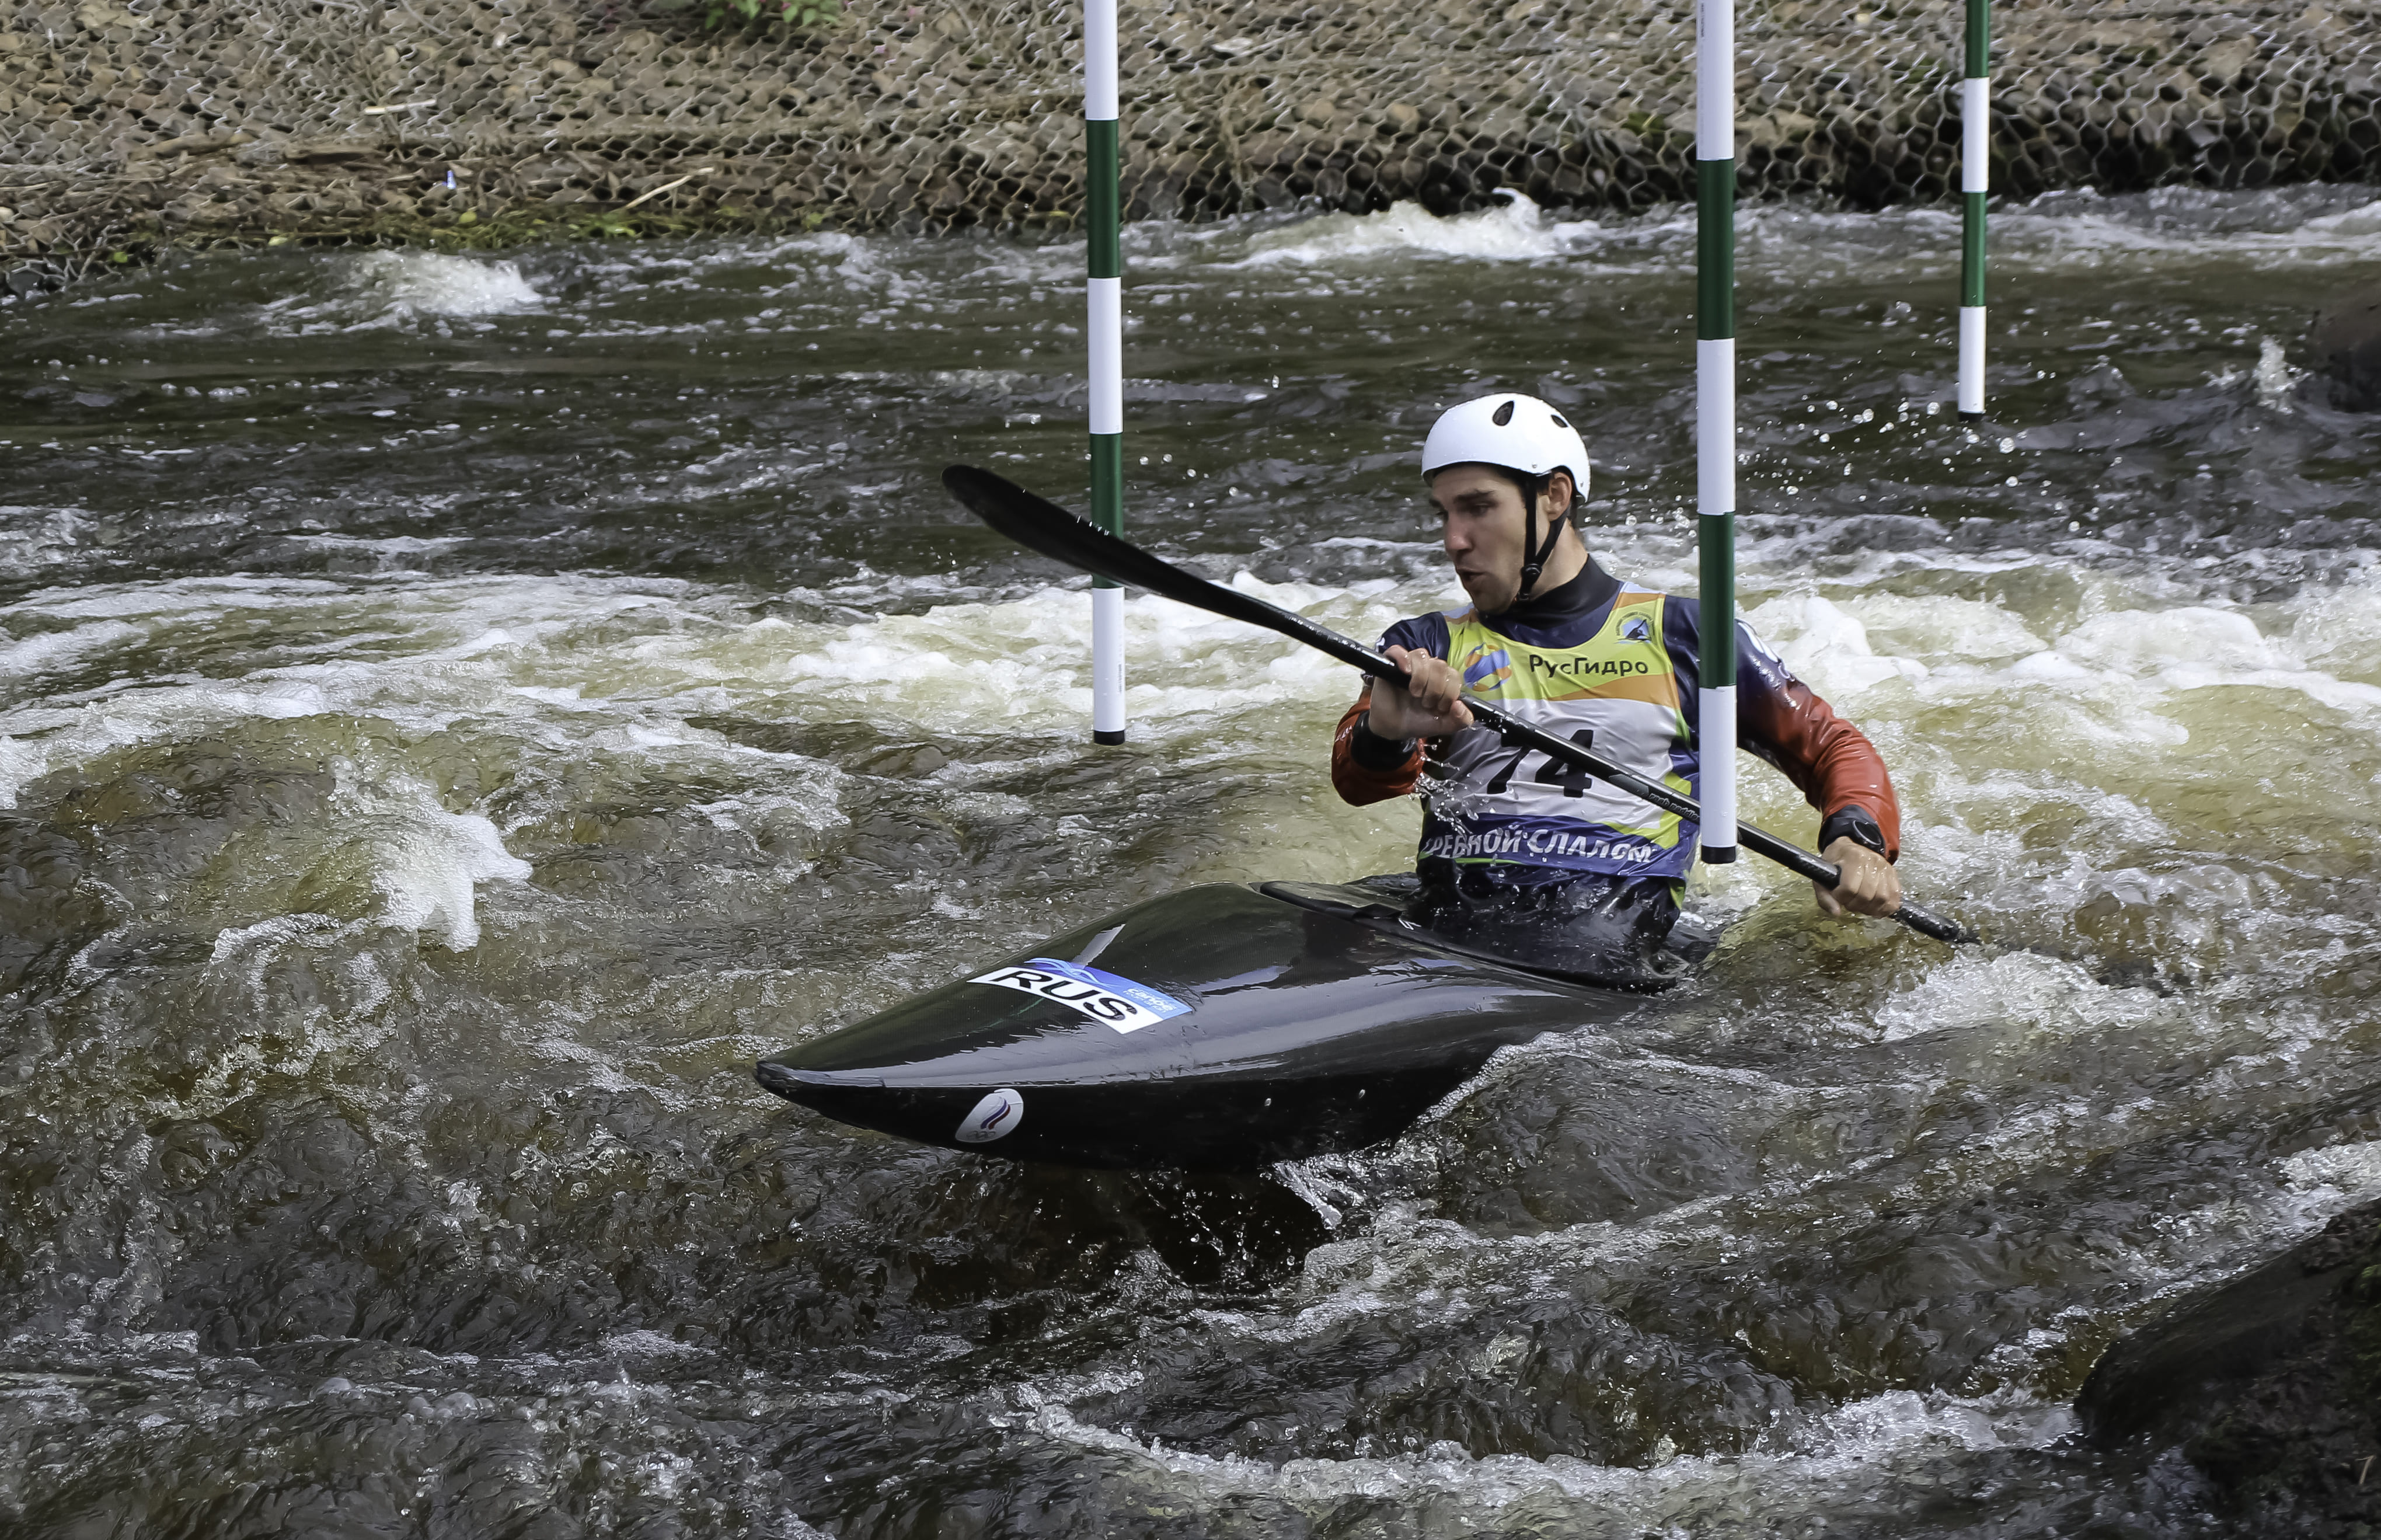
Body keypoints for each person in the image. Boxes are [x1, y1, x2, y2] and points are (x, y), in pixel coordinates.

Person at [1331, 392, 1904, 982]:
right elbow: (1357, 781)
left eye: (1478, 508)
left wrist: (1854, 840)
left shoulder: (1687, 637)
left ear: (1554, 496)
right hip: (1447, 918)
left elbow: (1832, 747)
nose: (1454, 539)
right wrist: (1384, 734)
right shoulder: (1426, 644)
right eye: (1443, 514)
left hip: (1605, 942)